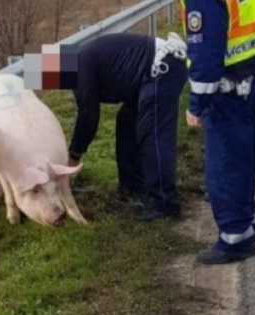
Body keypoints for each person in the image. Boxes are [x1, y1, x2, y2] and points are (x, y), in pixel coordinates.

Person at [179, 0, 255, 264]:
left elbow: (206, 50)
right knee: (246, 156)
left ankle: (235, 238)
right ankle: (250, 221)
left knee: (225, 165)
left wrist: (196, 104)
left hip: (228, 90)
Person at [67, 32, 189, 221]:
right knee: (126, 125)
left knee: (152, 133)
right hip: (144, 75)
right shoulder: (77, 60)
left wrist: (73, 156)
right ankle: (133, 187)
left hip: (162, 67)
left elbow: (88, 117)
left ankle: (165, 205)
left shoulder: (77, 69)